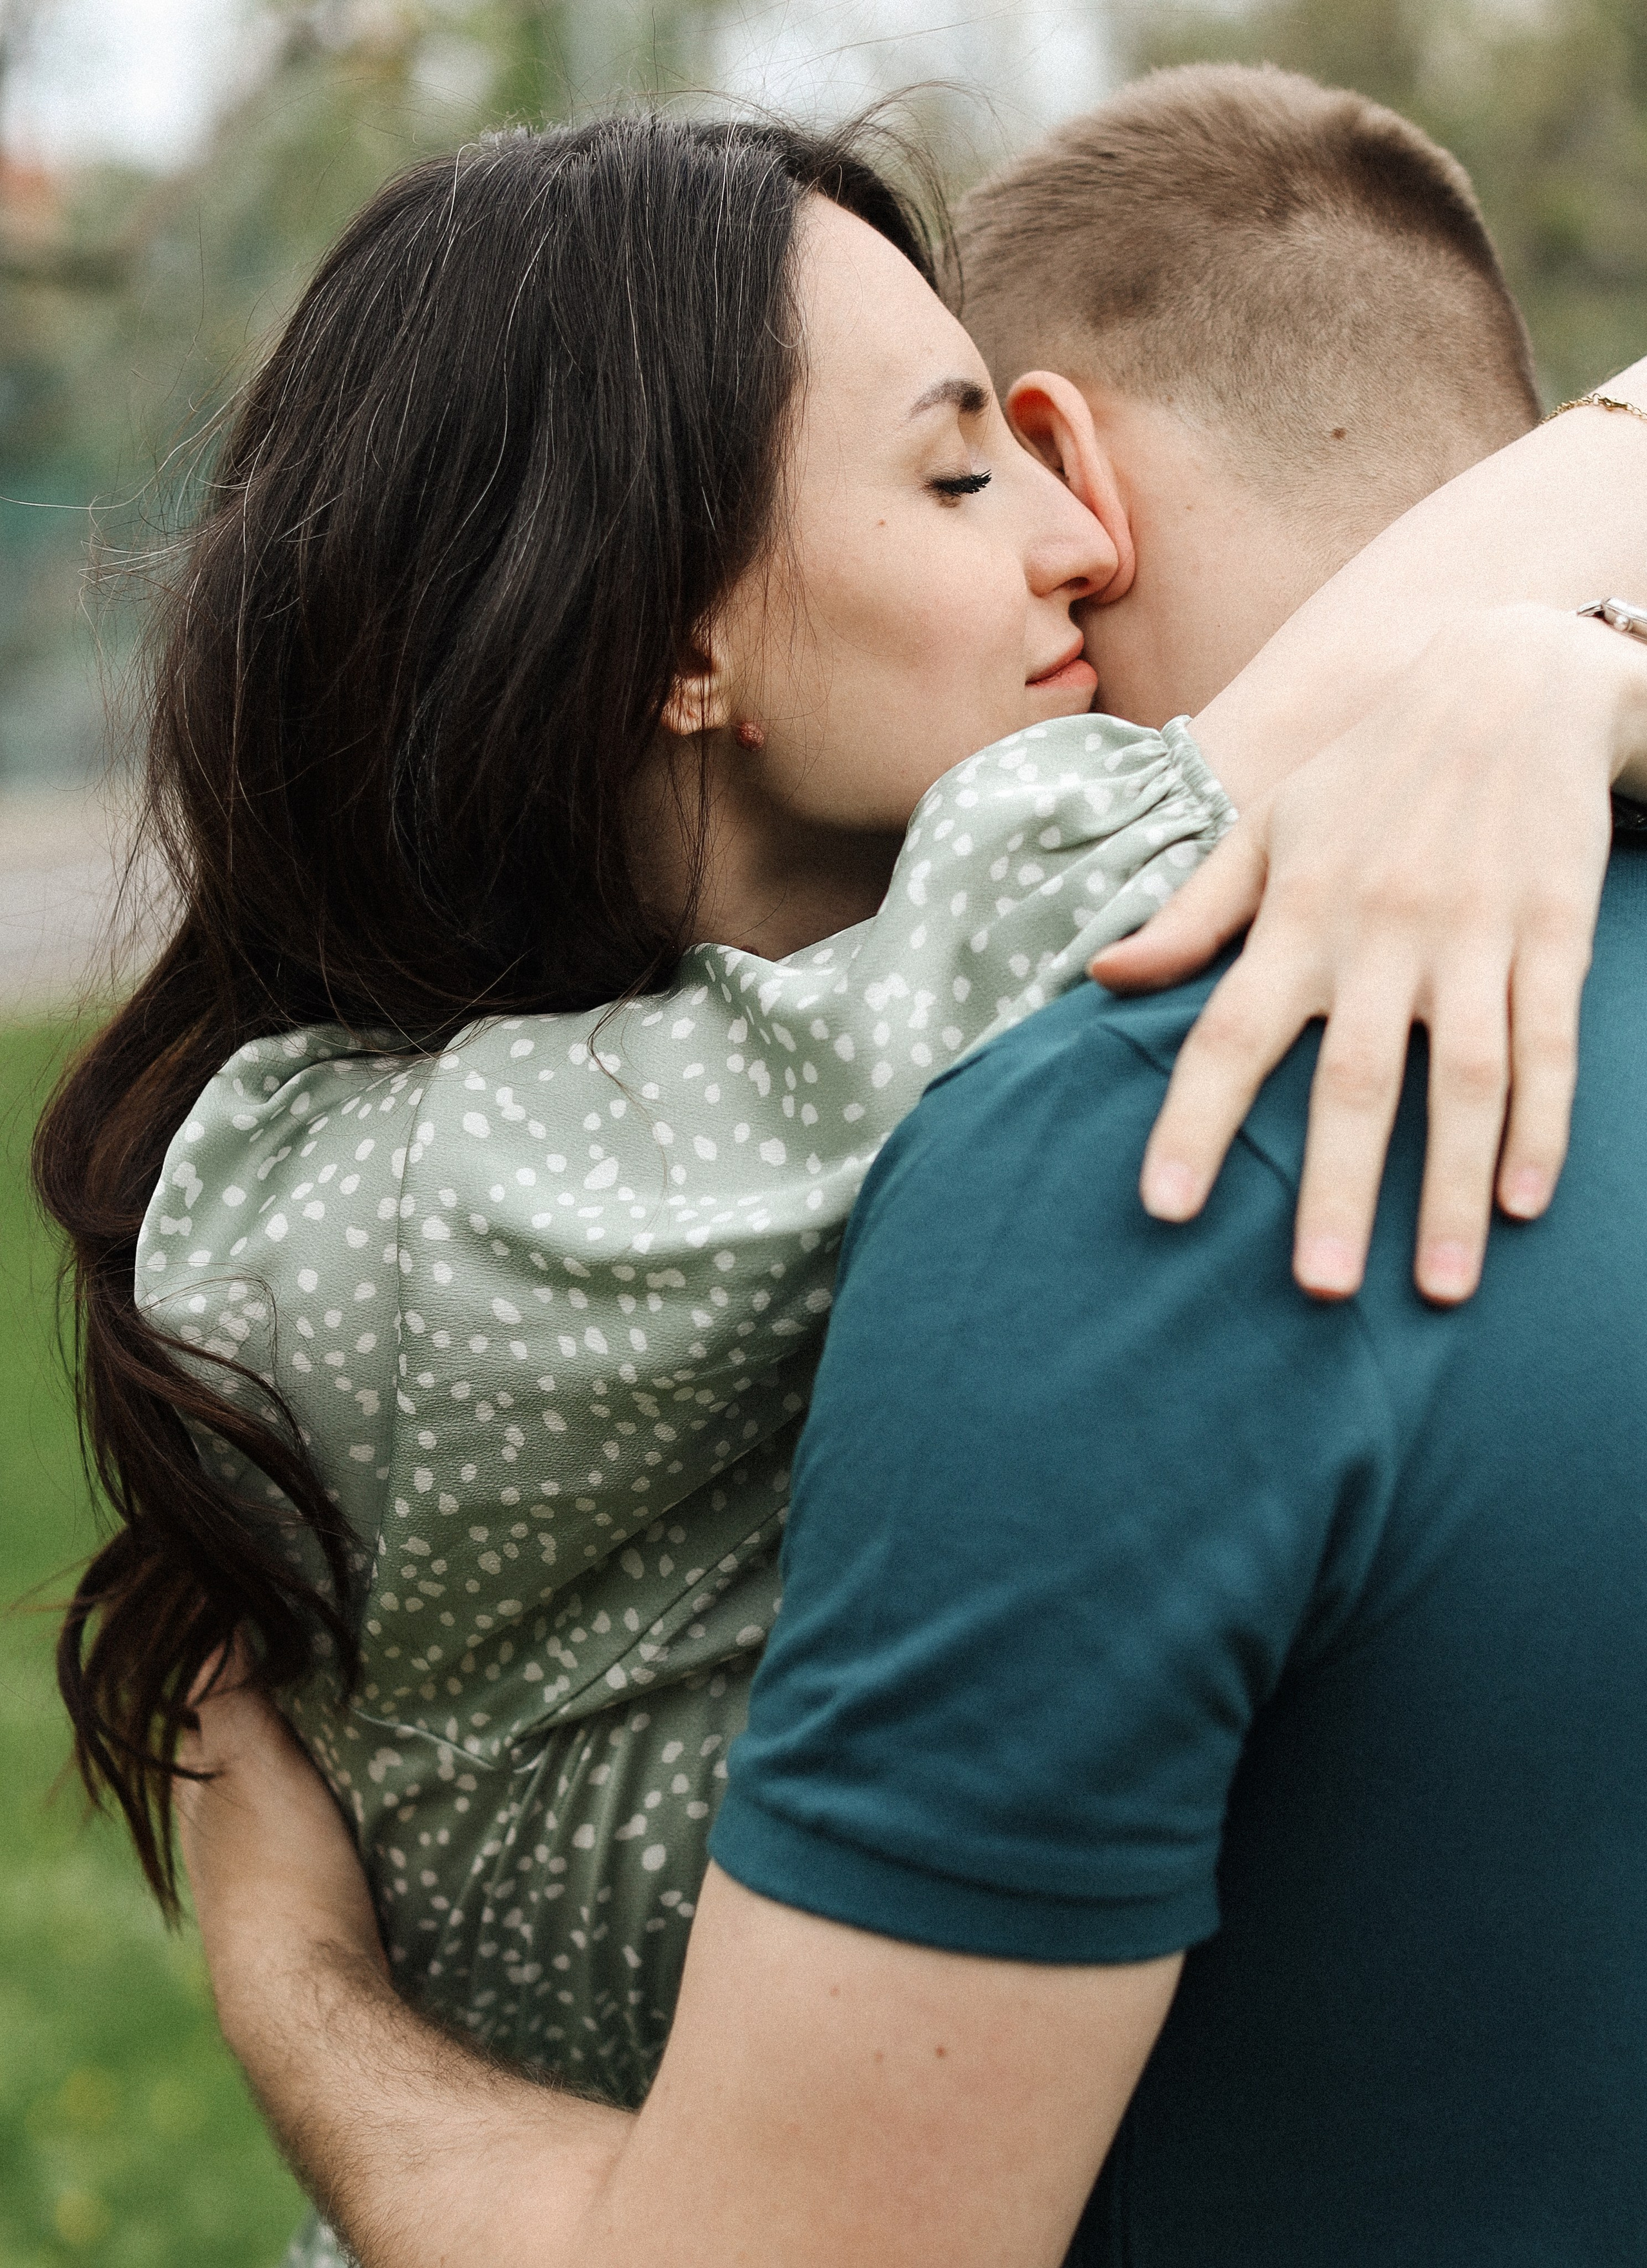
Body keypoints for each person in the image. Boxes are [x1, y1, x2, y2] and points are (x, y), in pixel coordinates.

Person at [37, 93, 1647, 2262]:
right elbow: (1263, 742)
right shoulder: (406, 1220)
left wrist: (1556, 675)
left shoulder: (855, 1058)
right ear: (673, 646)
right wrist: (1507, 662)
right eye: (960, 471)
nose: (1081, 545)